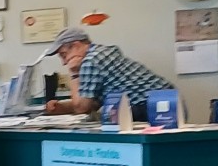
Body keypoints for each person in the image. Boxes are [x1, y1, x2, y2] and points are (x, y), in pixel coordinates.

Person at [43, 27, 172, 116]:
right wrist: (61, 107)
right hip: (168, 100)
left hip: (149, 106)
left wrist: (74, 73)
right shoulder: (105, 51)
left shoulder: (91, 61)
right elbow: (92, 103)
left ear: (76, 46)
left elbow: (82, 108)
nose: (64, 62)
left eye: (64, 55)